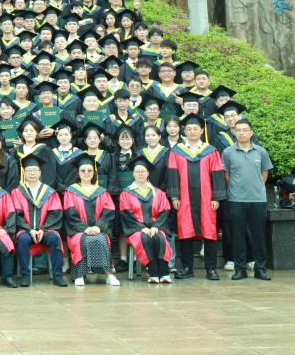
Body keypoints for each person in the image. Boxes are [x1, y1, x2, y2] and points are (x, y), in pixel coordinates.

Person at [167, 114, 226, 280]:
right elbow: (173, 174)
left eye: (195, 129)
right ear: (184, 131)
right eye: (189, 129)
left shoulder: (211, 151)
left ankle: (211, 269)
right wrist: (174, 196)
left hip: (207, 198)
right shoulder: (177, 151)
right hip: (184, 198)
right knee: (185, 231)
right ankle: (187, 268)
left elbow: (217, 175)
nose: (192, 131)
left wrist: (216, 198)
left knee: (210, 231)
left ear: (201, 131)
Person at [221, 119, 272, 281]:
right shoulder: (228, 152)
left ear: (251, 132)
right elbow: (227, 175)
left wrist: (256, 187)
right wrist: (237, 188)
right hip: (236, 200)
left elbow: (264, 173)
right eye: (238, 130)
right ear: (234, 132)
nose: (241, 133)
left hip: (258, 200)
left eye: (245, 130)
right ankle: (240, 269)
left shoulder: (261, 152)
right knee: (238, 236)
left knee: (259, 235)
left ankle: (260, 269)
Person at [8, 154, 67, 287]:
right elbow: (16, 215)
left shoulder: (50, 192)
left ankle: (58, 276)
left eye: (35, 170)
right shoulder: (17, 192)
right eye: (29, 170)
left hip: (46, 230)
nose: (32, 173)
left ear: (40, 172)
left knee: (55, 238)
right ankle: (25, 276)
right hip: (25, 230)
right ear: (24, 173)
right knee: (22, 239)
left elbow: (55, 214)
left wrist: (43, 229)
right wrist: (29, 229)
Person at [63, 153, 119, 287]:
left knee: (101, 238)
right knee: (83, 239)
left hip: (99, 229)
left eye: (89, 170)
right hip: (78, 231)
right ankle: (79, 274)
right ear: (78, 173)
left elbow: (108, 212)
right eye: (83, 170)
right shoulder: (71, 191)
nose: (86, 173)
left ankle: (109, 275)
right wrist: (85, 228)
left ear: (94, 172)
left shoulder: (102, 191)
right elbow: (70, 214)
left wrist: (98, 227)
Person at [119, 155, 174, 284]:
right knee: (144, 237)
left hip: (156, 226)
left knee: (159, 237)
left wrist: (155, 226)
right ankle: (152, 271)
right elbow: (126, 215)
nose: (140, 174)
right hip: (136, 229)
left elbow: (164, 211)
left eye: (143, 171)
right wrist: (142, 228)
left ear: (148, 173)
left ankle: (164, 271)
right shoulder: (126, 193)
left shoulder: (158, 193)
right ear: (133, 174)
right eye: (137, 171)